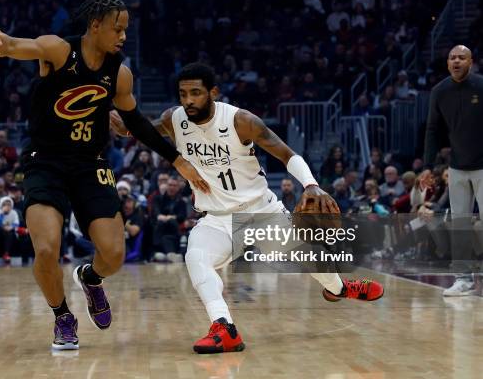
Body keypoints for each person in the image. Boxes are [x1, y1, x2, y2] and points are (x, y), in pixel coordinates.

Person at [0, 0, 209, 350]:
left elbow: (135, 121)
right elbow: (17, 46)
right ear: (95, 25)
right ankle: (62, 317)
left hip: (89, 163)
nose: (122, 35)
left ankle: (90, 277)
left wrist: (177, 160)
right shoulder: (58, 51)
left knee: (114, 254)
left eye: (126, 29)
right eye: (117, 28)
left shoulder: (120, 73)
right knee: (47, 248)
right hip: (46, 161)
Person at [113, 62, 384, 353]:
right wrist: (122, 126)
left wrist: (310, 184)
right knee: (195, 257)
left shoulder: (240, 120)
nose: (189, 100)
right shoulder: (174, 118)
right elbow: (144, 132)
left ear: (213, 92)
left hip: (261, 213)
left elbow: (287, 154)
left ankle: (340, 289)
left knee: (313, 260)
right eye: (183, 94)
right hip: (216, 218)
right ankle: (224, 328)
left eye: (196, 93)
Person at [424, 45, 483, 296]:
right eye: (452, 57)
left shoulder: (481, 85)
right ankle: (464, 279)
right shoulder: (439, 91)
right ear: (447, 63)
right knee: (459, 223)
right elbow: (432, 130)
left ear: (471, 62)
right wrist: (427, 166)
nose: (456, 61)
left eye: (461, 57)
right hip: (458, 166)